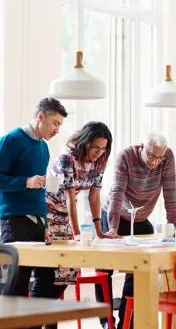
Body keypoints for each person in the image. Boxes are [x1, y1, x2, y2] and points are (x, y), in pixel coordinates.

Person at [0, 97, 67, 328]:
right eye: (55, 123)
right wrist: (26, 182)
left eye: (60, 125)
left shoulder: (43, 147)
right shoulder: (11, 140)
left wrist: (47, 222)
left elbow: (39, 188)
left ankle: (32, 324)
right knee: (19, 278)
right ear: (40, 116)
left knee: (48, 276)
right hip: (15, 219)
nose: (57, 130)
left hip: (38, 220)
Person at [96, 132, 176, 329]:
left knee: (138, 270)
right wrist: (113, 228)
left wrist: (174, 227)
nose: (154, 161)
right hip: (115, 214)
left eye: (159, 157)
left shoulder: (167, 157)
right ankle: (106, 322)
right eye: (151, 155)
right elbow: (116, 191)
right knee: (103, 270)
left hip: (141, 218)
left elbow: (170, 193)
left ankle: (128, 322)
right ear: (142, 147)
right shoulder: (125, 156)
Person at [44, 121, 114, 294]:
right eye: (95, 147)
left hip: (66, 211)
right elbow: (69, 195)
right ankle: (41, 317)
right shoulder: (67, 158)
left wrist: (99, 231)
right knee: (50, 271)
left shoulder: (100, 161)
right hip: (47, 211)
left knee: (68, 270)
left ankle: (48, 317)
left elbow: (94, 196)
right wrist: (76, 233)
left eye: (103, 148)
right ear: (85, 143)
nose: (98, 153)